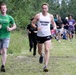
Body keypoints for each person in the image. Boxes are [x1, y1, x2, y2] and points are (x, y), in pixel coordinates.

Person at [32, 3, 56, 72]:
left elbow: (53, 23)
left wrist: (54, 27)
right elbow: (32, 23)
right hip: (40, 35)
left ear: (47, 9)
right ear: (41, 8)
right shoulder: (38, 15)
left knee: (47, 49)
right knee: (39, 51)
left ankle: (45, 65)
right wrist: (36, 27)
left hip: (47, 35)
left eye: (45, 8)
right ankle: (41, 55)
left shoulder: (50, 16)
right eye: (43, 8)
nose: (44, 9)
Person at [0, 3, 16, 72]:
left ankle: (3, 65)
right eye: (2, 8)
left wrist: (10, 29)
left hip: (6, 36)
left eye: (4, 8)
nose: (3, 9)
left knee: (4, 50)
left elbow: (15, 26)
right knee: (0, 52)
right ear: (0, 9)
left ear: (6, 9)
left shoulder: (9, 17)